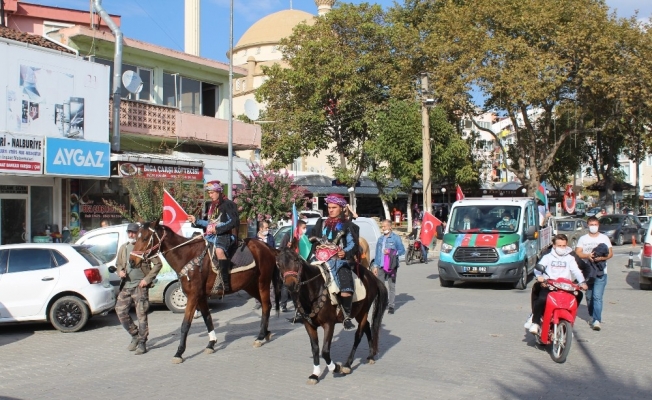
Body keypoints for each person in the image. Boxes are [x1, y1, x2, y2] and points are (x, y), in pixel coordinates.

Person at [311, 194, 359, 330]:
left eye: (334, 207)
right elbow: (312, 238)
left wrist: (345, 253)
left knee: (345, 287)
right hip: (319, 260)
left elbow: (353, 244)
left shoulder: (347, 225)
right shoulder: (321, 223)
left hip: (339, 261)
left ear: (341, 208)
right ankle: (302, 312)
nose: (330, 210)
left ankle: (346, 316)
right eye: (329, 207)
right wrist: (315, 246)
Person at [115, 223, 163, 355]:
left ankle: (142, 342)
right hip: (126, 285)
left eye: (133, 232)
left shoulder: (145, 247)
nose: (131, 234)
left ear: (138, 233)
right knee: (120, 311)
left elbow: (158, 264)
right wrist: (120, 271)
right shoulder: (124, 248)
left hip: (140, 287)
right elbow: (118, 264)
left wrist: (147, 280)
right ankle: (135, 335)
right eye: (129, 232)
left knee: (141, 315)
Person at [528, 234, 588, 335]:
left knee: (579, 295)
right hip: (550, 285)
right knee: (542, 298)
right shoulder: (548, 257)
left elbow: (576, 271)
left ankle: (568, 323)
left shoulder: (570, 258)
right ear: (554, 245)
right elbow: (538, 268)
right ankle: (536, 321)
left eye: (564, 246)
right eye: (559, 245)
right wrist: (540, 277)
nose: (562, 248)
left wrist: (582, 282)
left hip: (566, 287)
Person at [188, 180, 239, 292]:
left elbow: (233, 222)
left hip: (226, 235)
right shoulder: (212, 206)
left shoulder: (228, 204)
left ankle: (225, 283)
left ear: (218, 192)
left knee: (219, 251)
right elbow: (210, 224)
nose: (210, 195)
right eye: (209, 193)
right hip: (212, 235)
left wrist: (218, 229)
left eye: (212, 193)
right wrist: (196, 221)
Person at [575, 216, 613, 331]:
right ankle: (592, 315)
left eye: (595, 224)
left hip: (601, 272)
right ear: (588, 225)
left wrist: (601, 257)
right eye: (591, 224)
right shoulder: (583, 239)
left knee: (597, 296)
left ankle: (597, 320)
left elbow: (610, 254)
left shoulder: (604, 238)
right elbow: (578, 253)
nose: (593, 227)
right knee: (590, 296)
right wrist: (587, 256)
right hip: (588, 272)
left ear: (598, 225)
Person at [372, 219, 406, 315]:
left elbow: (402, 250)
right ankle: (382, 304)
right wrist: (375, 266)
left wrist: (392, 252)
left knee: (391, 286)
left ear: (390, 227)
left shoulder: (396, 238)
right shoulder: (380, 239)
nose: (383, 228)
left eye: (385, 226)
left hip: (391, 266)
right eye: (382, 227)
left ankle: (391, 305)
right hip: (381, 266)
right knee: (380, 287)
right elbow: (377, 253)